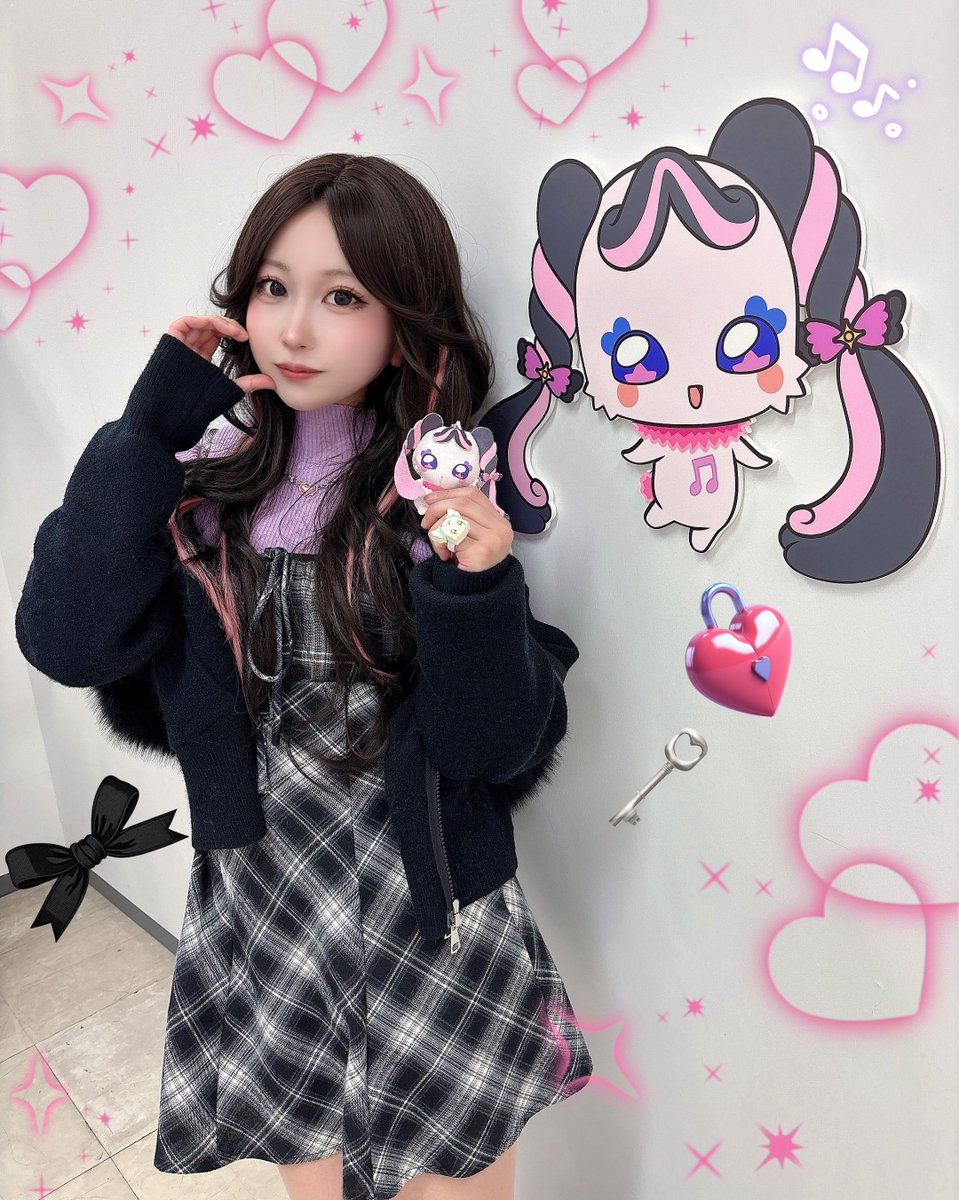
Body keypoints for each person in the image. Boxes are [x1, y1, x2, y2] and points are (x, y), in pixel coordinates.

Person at [14, 154, 593, 1200]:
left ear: (402, 324)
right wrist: (149, 428)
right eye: (273, 288)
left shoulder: (433, 497)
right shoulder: (200, 493)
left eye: (341, 298)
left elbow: (489, 744)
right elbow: (64, 640)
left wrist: (475, 584)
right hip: (268, 903)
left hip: (432, 909)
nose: (291, 329)